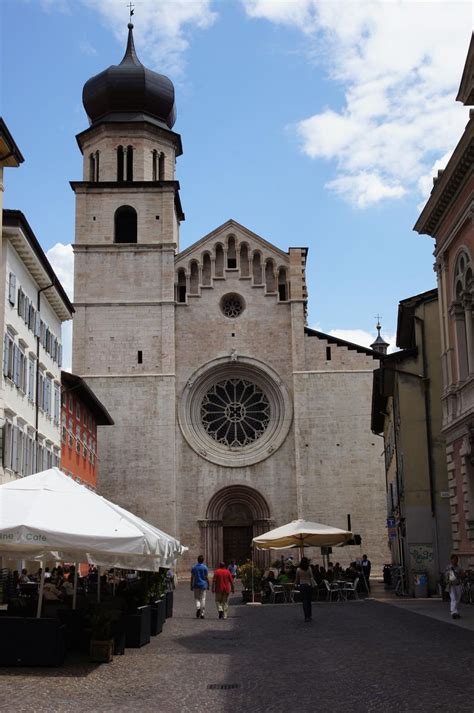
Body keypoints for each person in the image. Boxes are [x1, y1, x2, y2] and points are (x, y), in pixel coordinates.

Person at [295, 557, 316, 623]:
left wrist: (295, 584)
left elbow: (297, 579)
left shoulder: (298, 569)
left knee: (304, 601)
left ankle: (306, 617)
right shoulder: (309, 568)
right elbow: (311, 576)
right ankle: (309, 616)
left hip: (302, 586)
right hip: (308, 585)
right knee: (309, 601)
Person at [445, 554, 465, 619]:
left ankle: (456, 611)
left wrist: (462, 574)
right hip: (451, 585)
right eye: (453, 559)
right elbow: (448, 576)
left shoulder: (459, 568)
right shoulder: (449, 567)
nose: (455, 561)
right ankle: (453, 612)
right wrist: (449, 573)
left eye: (456, 559)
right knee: (453, 598)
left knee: (458, 599)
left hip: (458, 585)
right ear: (451, 560)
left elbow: (462, 575)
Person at [191, 554, 209, 619]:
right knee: (203, 599)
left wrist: (191, 585)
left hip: (196, 584)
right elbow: (206, 577)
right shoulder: (205, 567)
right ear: (203, 560)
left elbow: (192, 577)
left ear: (197, 560)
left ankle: (198, 608)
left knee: (197, 598)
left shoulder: (194, 567)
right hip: (203, 584)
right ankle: (202, 613)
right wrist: (208, 584)